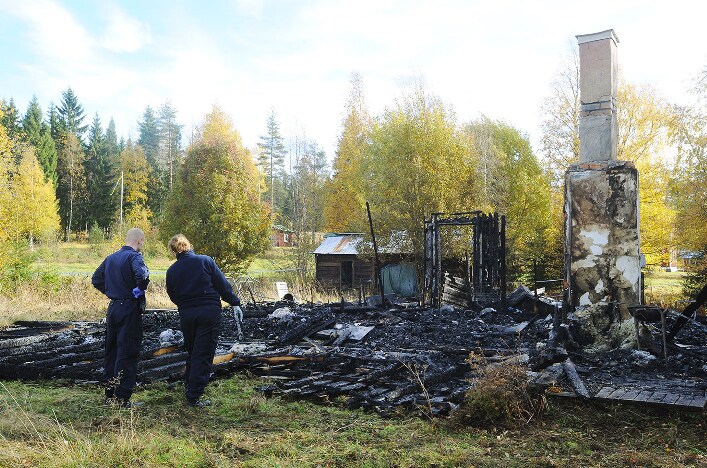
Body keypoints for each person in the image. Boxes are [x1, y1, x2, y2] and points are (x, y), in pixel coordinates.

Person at [165, 234, 241, 407]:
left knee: (193, 351)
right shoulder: (205, 261)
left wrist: (185, 305)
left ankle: (189, 386)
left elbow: (172, 294)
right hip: (208, 311)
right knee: (204, 352)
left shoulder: (172, 270)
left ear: (173, 250)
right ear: (188, 245)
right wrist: (235, 302)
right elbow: (222, 285)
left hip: (187, 314)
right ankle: (194, 395)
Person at [92, 228, 150, 408]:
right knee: (128, 351)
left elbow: (96, 279)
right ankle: (122, 398)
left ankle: (109, 394)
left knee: (112, 351)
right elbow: (143, 275)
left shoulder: (111, 258)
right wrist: (139, 289)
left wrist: (111, 292)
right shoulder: (134, 257)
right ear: (139, 241)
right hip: (129, 309)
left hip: (114, 308)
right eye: (142, 242)